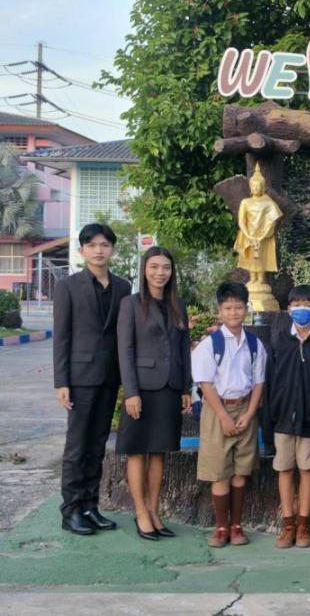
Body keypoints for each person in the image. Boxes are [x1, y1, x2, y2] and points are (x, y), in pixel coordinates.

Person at [54, 223, 132, 535]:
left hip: (110, 377)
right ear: (82, 250)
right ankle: (71, 510)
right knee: (77, 446)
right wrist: (62, 382)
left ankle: (90, 506)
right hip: (80, 378)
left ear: (112, 249)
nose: (99, 250)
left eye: (104, 245)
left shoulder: (123, 287)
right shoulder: (68, 286)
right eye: (92, 245)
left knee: (98, 444)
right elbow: (61, 337)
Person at [116, 246, 192, 541]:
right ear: (145, 270)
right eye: (154, 267)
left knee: (160, 451)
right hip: (142, 389)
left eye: (166, 267)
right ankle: (140, 512)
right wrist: (131, 392)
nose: (161, 273)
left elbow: (183, 349)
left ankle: (154, 510)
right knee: (137, 451)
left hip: (170, 388)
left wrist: (185, 387)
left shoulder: (178, 304)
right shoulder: (131, 304)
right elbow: (125, 350)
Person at [191, 282, 267, 548]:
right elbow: (205, 384)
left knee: (241, 471)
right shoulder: (209, 345)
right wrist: (223, 416)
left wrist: (250, 412)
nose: (233, 313)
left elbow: (259, 382)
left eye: (238, 307)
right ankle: (221, 527)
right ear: (219, 311)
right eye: (228, 308)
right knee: (220, 472)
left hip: (245, 409)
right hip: (217, 411)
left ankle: (237, 525)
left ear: (246, 309)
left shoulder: (255, 344)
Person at [262, 285, 310, 549]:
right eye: (296, 304)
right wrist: (270, 418)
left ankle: (303, 525)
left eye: (308, 305)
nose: (301, 309)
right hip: (282, 418)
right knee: (284, 469)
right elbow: (269, 381)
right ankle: (287, 524)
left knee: (307, 469)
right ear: (289, 308)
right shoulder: (279, 340)